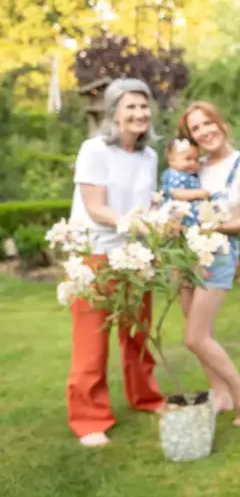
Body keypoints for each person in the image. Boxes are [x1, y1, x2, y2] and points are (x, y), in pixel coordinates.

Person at [67, 78, 165, 447]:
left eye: (144, 106)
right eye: (131, 107)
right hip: (95, 255)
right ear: (114, 113)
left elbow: (148, 202)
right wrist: (135, 224)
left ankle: (146, 397)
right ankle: (89, 420)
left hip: (135, 255)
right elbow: (95, 207)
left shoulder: (149, 155)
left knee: (138, 334)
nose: (139, 114)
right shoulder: (94, 150)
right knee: (92, 340)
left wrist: (157, 224)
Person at [176, 101, 240, 426]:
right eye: (195, 129)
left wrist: (214, 228)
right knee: (202, 333)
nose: (204, 131)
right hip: (186, 254)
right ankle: (221, 394)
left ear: (221, 123)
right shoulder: (195, 169)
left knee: (195, 338)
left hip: (219, 254)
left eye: (207, 123)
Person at [159, 137, 210, 226]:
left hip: (191, 217)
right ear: (171, 160)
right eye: (188, 159)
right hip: (177, 215)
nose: (193, 163)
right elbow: (176, 193)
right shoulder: (173, 175)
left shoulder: (191, 175)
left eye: (196, 159)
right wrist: (198, 193)